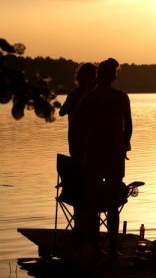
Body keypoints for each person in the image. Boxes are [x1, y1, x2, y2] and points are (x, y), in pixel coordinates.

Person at [72, 57, 132, 259]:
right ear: (114, 77)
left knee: (94, 202)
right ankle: (113, 248)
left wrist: (82, 144)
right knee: (113, 205)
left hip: (94, 152)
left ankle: (97, 248)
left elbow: (77, 120)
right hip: (114, 153)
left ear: (97, 76)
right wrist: (124, 145)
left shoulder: (89, 97)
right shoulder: (121, 97)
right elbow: (129, 126)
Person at [59, 62, 97, 236]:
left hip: (92, 146)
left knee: (90, 186)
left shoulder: (93, 95)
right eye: (92, 77)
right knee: (80, 186)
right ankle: (82, 227)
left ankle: (88, 228)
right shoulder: (78, 95)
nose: (95, 80)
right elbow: (62, 111)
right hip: (77, 146)